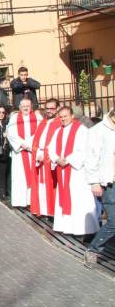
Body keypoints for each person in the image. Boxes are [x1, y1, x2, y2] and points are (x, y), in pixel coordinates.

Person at [48, 107, 99, 236]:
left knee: (79, 199)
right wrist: (57, 159)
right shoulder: (58, 131)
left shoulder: (81, 130)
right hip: (63, 169)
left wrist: (68, 160)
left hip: (77, 171)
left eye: (66, 116)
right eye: (61, 117)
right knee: (65, 197)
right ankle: (67, 227)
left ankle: (85, 229)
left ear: (72, 116)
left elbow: (84, 150)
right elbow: (51, 148)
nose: (63, 119)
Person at [83, 108, 115, 268]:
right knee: (114, 221)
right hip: (108, 182)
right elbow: (90, 158)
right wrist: (94, 182)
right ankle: (93, 249)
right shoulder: (98, 131)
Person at [7, 98, 43, 208]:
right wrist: (23, 144)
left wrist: (30, 146)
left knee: (34, 176)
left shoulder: (38, 117)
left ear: (31, 106)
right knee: (19, 178)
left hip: (33, 152)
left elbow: (41, 133)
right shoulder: (14, 118)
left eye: (28, 105)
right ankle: (20, 201)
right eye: (23, 106)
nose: (26, 108)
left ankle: (32, 201)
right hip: (20, 153)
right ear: (20, 107)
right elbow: (10, 134)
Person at [30, 98, 61, 217]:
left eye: (52, 108)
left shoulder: (59, 123)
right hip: (40, 158)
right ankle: (42, 210)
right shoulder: (42, 123)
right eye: (47, 108)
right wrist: (38, 153)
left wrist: (46, 155)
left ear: (57, 108)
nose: (49, 111)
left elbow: (57, 144)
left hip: (51, 161)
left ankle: (51, 211)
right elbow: (36, 141)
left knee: (51, 186)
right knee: (41, 186)